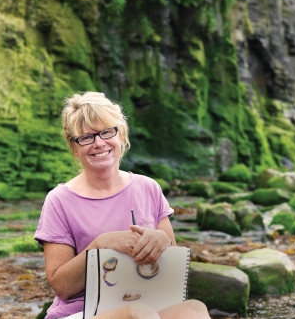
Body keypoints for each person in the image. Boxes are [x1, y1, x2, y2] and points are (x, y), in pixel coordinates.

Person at [34, 92, 210, 319]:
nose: (99, 143)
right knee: (136, 313)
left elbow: (173, 277)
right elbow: (61, 287)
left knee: (194, 309)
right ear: (74, 147)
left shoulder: (148, 188)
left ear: (121, 134)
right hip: (82, 313)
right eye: (86, 137)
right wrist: (100, 245)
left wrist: (163, 242)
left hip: (148, 304)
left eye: (107, 132)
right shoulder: (58, 200)